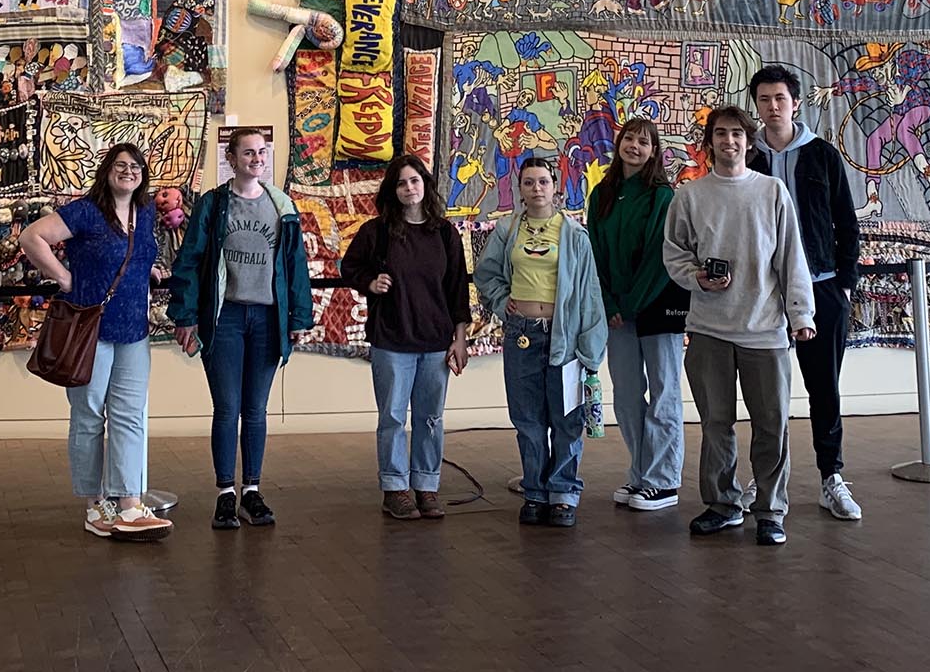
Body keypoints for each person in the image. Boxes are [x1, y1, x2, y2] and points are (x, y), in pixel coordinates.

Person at [664, 105, 814, 546]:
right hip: (709, 329)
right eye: (720, 134)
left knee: (771, 424)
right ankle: (722, 505)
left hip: (765, 331)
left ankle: (770, 509)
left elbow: (791, 258)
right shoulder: (690, 197)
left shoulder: (772, 192)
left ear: (750, 141)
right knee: (716, 424)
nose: (729, 141)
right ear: (708, 141)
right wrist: (698, 278)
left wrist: (801, 314)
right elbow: (674, 255)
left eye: (737, 134)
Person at [15, 142, 172, 541]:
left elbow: (133, 255)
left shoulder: (145, 212)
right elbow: (33, 237)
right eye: (120, 165)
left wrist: (148, 267)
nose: (128, 172)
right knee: (88, 418)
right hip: (90, 330)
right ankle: (94, 504)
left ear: (143, 174)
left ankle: (130, 504)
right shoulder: (86, 211)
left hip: (133, 332)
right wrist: (65, 279)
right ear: (107, 171)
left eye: (135, 166)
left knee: (129, 416)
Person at [167, 127, 314, 531]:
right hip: (226, 318)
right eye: (247, 152)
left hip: (267, 320)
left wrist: (299, 318)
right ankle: (224, 495)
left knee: (256, 410)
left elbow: (294, 268)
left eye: (261, 152)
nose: (256, 158)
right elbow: (190, 260)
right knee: (227, 408)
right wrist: (185, 315)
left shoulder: (282, 206)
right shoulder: (213, 205)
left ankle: (251, 490)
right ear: (231, 159)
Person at [749, 64, 865, 522]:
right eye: (764, 99)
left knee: (824, 390)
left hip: (820, 288)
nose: (772, 107)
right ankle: (764, 480)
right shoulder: (748, 157)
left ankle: (830, 477)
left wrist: (845, 284)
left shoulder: (821, 154)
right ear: (755, 105)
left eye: (780, 98)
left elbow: (846, 222)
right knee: (764, 394)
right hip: (762, 295)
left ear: (795, 103)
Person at [475, 155, 608, 528]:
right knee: (528, 417)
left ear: (556, 187)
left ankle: (563, 492)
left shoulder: (574, 235)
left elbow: (589, 294)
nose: (537, 189)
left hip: (563, 335)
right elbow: (486, 275)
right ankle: (534, 489)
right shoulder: (507, 230)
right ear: (519, 189)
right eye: (529, 182)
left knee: (565, 419)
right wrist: (502, 304)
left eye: (543, 182)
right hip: (522, 334)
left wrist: (591, 348)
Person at [340, 153, 472, 521]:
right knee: (393, 418)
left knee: (431, 417)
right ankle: (395, 488)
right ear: (392, 190)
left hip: (435, 341)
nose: (409, 188)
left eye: (414, 180)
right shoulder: (376, 232)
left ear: (425, 185)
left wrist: (459, 339)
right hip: (392, 339)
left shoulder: (445, 233)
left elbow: (457, 290)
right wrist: (369, 281)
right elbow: (349, 267)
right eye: (401, 182)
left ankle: (427, 486)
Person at [587, 117, 688, 512]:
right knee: (628, 396)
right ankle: (640, 473)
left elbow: (659, 257)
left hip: (657, 306)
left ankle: (663, 480)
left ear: (654, 151)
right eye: (630, 138)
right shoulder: (603, 194)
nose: (635, 146)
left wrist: (629, 304)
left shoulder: (662, 195)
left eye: (644, 142)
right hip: (617, 313)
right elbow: (594, 252)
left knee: (664, 393)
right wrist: (610, 304)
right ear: (619, 143)